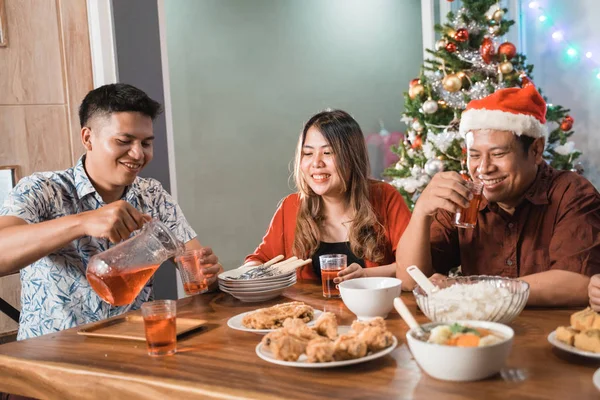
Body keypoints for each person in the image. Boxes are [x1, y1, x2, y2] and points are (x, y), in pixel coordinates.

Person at [0, 83, 222, 340]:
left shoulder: (152, 194)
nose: (138, 154)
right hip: (53, 356)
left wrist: (208, 275)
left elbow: (197, 272)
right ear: (87, 138)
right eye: (124, 141)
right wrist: (83, 222)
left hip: (133, 347)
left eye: (146, 143)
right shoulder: (43, 189)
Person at [396, 85, 600, 307]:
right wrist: (422, 212)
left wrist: (473, 289)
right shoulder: (466, 197)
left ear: (536, 150)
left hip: (549, 336)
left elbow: (577, 283)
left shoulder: (572, 193)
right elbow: (409, 279)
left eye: (498, 154)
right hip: (479, 335)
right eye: (474, 155)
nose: (483, 168)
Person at [245, 110, 411, 283]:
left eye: (328, 152)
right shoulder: (291, 206)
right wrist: (238, 275)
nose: (316, 163)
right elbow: (260, 262)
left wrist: (366, 275)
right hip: (310, 311)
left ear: (352, 157)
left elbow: (412, 267)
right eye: (308, 153)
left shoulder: (385, 197)